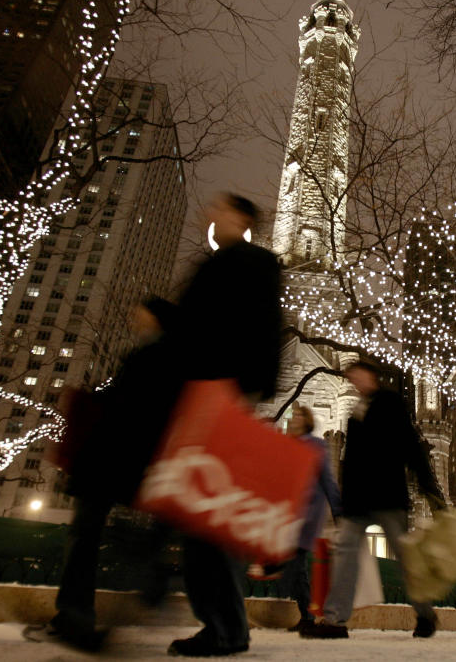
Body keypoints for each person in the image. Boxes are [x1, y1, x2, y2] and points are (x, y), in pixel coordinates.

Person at [165, 193, 283, 657]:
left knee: (209, 515)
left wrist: (249, 389)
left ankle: (227, 626)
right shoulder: (214, 263)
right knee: (195, 512)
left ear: (241, 218)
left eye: (219, 208)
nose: (208, 212)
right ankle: (218, 621)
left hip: (223, 394)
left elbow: (264, 329)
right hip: (197, 396)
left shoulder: (257, 262)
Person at [44, 296, 180, 651]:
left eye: (143, 313)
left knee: (86, 534)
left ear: (157, 319)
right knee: (93, 534)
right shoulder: (157, 357)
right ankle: (80, 611)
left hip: (113, 458)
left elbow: (130, 407)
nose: (135, 317)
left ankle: (78, 613)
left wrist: (91, 406)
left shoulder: (155, 358)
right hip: (122, 460)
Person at [300, 361, 446, 640]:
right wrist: (343, 502)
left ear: (370, 376)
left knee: (405, 559)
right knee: (344, 557)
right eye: (350, 375)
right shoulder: (355, 413)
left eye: (356, 374)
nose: (353, 379)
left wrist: (429, 484)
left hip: (389, 497)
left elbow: (410, 444)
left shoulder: (391, 402)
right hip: (358, 502)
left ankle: (425, 614)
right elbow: (350, 461)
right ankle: (334, 620)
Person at [278, 404, 342, 632]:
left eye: (298, 415)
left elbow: (327, 479)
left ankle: (308, 614)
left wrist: (337, 511)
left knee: (296, 565)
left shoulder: (317, 445)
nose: (294, 419)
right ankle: (306, 613)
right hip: (289, 512)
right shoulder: (287, 445)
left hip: (308, 513)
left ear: (307, 421)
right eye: (292, 415)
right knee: (293, 565)